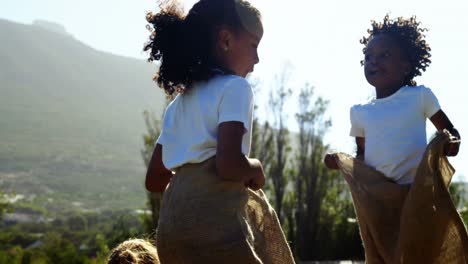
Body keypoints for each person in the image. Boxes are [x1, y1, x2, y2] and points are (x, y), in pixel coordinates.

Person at [144, 0, 295, 263]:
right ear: (225, 40)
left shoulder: (178, 104)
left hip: (171, 237)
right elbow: (228, 165)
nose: (257, 59)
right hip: (216, 235)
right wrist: (255, 168)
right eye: (253, 45)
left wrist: (189, 183)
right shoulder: (235, 88)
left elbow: (154, 180)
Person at [324, 15, 467, 263]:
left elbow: (452, 133)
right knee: (381, 256)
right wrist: (340, 162)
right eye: (368, 56)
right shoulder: (359, 112)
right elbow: (362, 160)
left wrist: (447, 143)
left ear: (406, 65)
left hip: (417, 197)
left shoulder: (420, 97)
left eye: (384, 55)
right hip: (379, 203)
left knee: (418, 256)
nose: (373, 61)